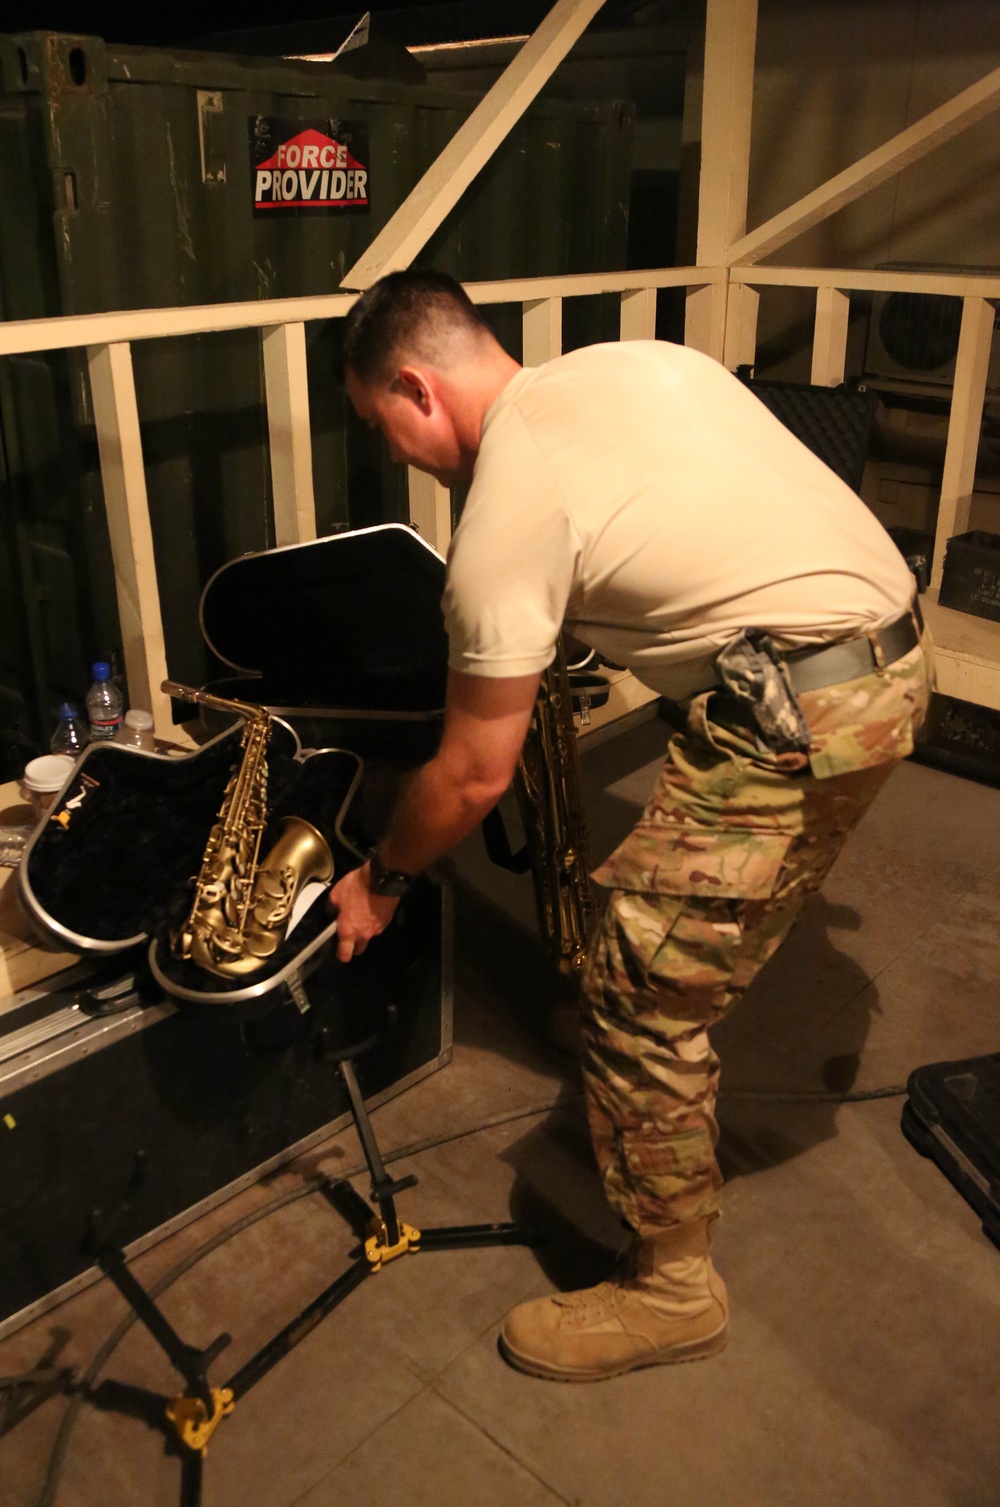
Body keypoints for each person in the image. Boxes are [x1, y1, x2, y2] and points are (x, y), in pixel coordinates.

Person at [329, 270, 931, 1382]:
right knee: (660, 931)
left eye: (384, 429)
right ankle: (673, 983)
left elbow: (469, 775)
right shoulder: (635, 363)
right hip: (888, 645)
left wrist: (381, 878)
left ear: (415, 386)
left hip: (803, 712)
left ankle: (671, 1289)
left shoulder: (510, 504)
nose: (402, 455)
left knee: (635, 999)